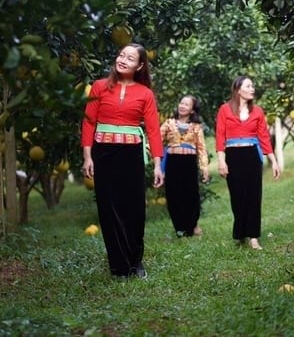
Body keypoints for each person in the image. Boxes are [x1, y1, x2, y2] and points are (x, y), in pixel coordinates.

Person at [81, 43, 164, 279]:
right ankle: (118, 267)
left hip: (132, 153)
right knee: (108, 209)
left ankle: (135, 262)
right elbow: (88, 122)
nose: (123, 60)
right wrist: (87, 156)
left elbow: (153, 130)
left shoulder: (145, 94)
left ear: (139, 66)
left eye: (129, 58)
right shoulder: (98, 87)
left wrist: (158, 163)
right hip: (103, 152)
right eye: (121, 55)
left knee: (134, 208)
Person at [215, 75, 280, 250]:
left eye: (252, 86)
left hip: (252, 154)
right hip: (232, 155)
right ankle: (240, 233)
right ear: (238, 90)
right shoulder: (225, 110)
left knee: (253, 195)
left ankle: (253, 236)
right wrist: (221, 160)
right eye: (248, 86)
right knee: (237, 196)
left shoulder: (257, 111)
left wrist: (273, 160)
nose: (252, 89)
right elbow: (220, 135)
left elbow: (264, 136)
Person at [160, 95, 210, 237]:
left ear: (192, 110)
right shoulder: (169, 123)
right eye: (181, 103)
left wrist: (204, 168)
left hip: (189, 164)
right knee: (173, 195)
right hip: (172, 163)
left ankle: (192, 225)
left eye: (186, 105)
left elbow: (201, 148)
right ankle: (179, 229)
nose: (182, 106)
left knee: (191, 195)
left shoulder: (196, 127)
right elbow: (156, 139)